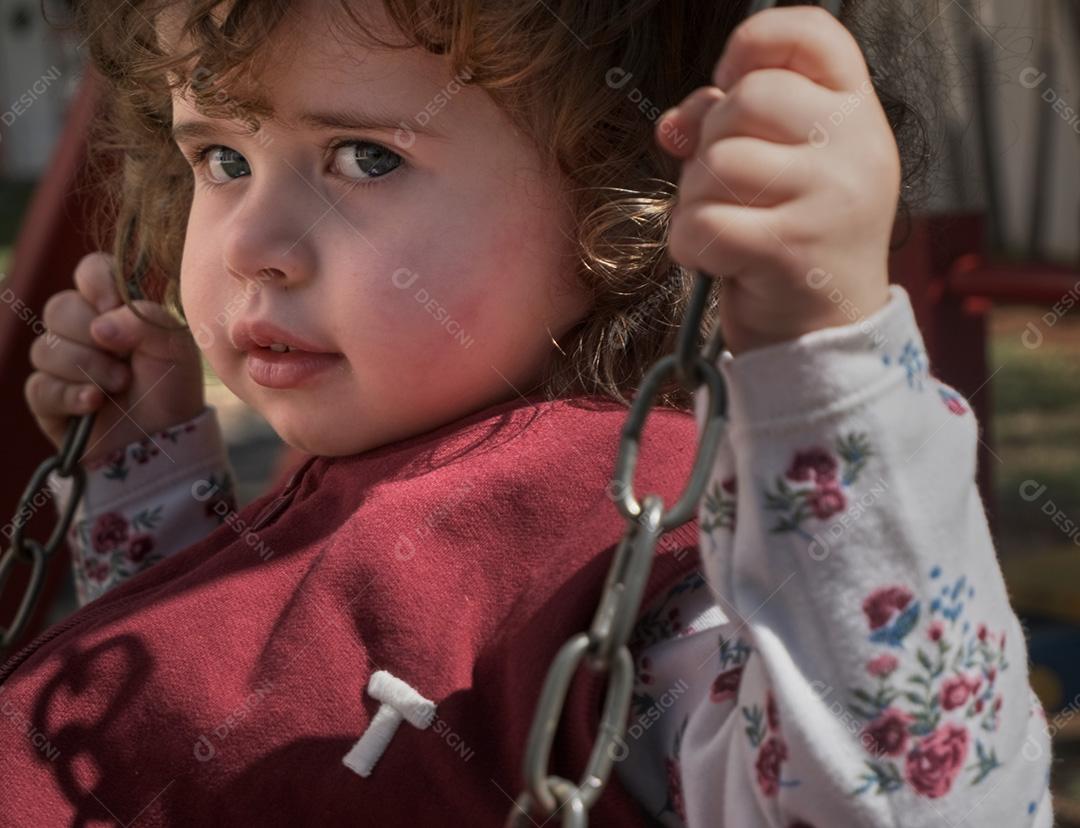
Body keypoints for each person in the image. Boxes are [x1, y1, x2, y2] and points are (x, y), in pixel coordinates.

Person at [9, 0, 1052, 825]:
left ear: (622, 197)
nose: (248, 243)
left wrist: (829, 367)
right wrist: (147, 488)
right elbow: (221, 705)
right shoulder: (388, 451)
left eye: (366, 158)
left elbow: (913, 800)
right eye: (222, 160)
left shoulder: (641, 564)